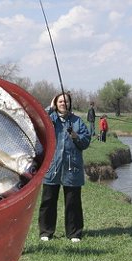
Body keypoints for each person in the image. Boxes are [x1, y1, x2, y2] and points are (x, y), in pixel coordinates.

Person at [38, 92, 91, 243]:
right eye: (60, 101)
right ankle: (46, 232)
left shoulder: (77, 121)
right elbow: (39, 119)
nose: (63, 104)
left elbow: (85, 142)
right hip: (52, 166)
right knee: (48, 200)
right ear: (55, 103)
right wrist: (50, 107)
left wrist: (75, 136)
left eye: (65, 101)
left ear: (70, 104)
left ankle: (74, 233)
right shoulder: (50, 119)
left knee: (73, 202)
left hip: (71, 168)